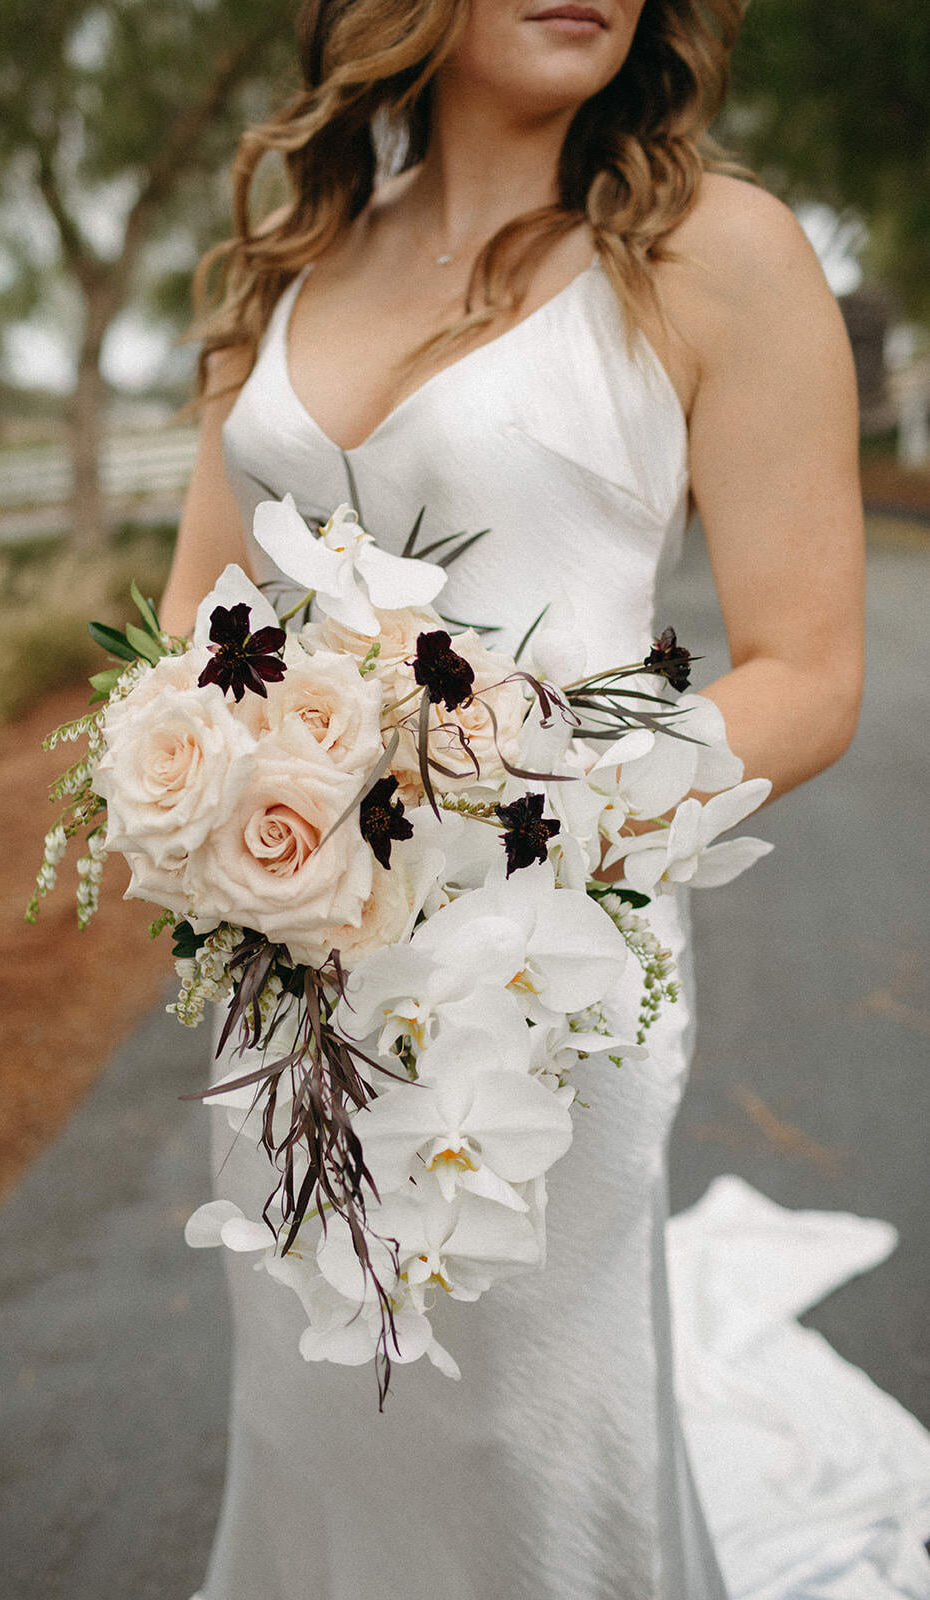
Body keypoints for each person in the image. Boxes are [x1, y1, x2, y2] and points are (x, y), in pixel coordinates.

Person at [159, 2, 866, 1596]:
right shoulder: (289, 260)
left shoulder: (715, 255)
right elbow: (191, 622)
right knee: (310, 1399)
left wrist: (506, 793)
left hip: (548, 982)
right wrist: (219, 789)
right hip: (297, 971)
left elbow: (810, 670)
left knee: (520, 1440)